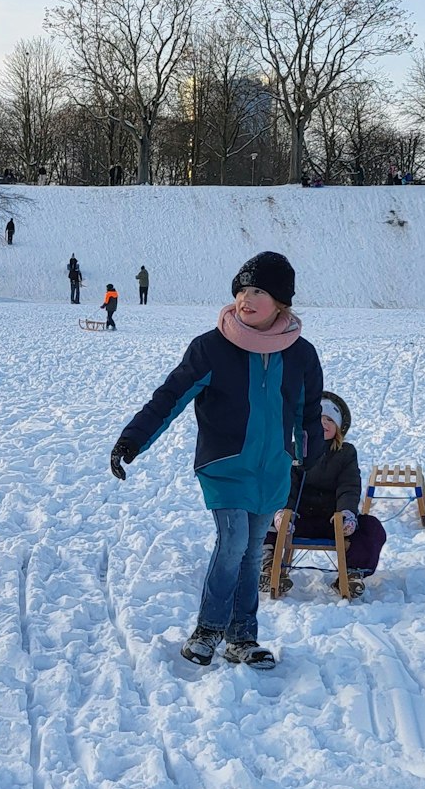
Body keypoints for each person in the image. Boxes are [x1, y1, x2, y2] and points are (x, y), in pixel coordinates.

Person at [111, 251, 322, 668]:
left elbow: (307, 411)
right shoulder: (211, 348)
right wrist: (132, 440)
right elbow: (169, 398)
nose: (246, 298)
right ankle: (208, 629)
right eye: (241, 289)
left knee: (250, 552)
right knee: (233, 544)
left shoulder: (300, 354)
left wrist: (307, 455)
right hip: (224, 466)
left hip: (271, 471)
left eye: (258, 290)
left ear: (280, 302)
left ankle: (242, 637)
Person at [263, 392, 385, 597]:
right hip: (298, 520)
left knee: (372, 527)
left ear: (337, 427)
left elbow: (349, 486)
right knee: (263, 515)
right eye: (318, 418)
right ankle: (268, 566)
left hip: (333, 521)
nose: (323, 423)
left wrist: (346, 513)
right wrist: (284, 511)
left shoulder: (345, 453)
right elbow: (288, 485)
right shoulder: (294, 451)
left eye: (329, 420)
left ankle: (352, 573)